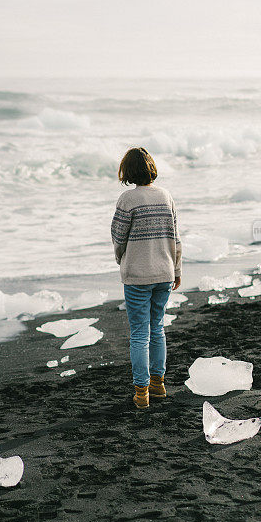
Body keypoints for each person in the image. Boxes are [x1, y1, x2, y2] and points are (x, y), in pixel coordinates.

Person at [111, 147, 182, 409]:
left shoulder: (127, 199)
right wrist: (176, 270)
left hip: (137, 276)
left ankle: (142, 393)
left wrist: (122, 259)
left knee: (140, 334)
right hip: (164, 273)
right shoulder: (166, 196)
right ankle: (159, 384)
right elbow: (175, 238)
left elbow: (118, 237)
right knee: (158, 329)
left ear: (128, 171)